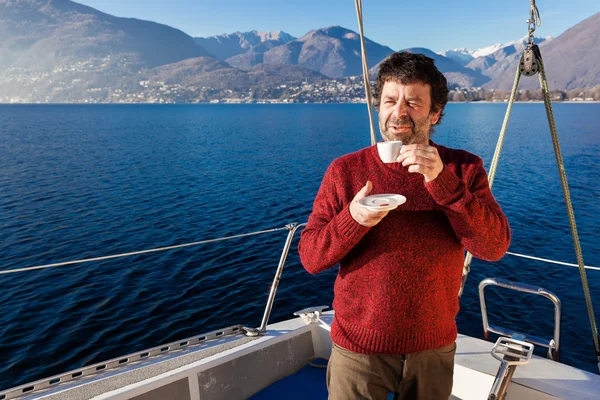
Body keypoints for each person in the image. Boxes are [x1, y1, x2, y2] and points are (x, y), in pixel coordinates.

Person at [297, 51, 511, 400]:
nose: (399, 112)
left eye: (413, 102)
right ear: (379, 108)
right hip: (359, 350)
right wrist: (353, 219)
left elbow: (494, 246)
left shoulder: (463, 169)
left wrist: (442, 181)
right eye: (390, 101)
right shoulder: (345, 170)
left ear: (435, 112)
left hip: (433, 348)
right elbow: (310, 257)